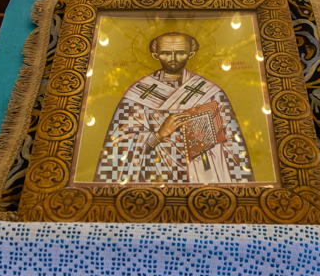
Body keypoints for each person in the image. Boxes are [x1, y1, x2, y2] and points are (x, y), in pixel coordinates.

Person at [94, 32, 254, 184]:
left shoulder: (211, 93)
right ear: (155, 55)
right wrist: (159, 135)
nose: (173, 58)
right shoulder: (137, 94)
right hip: (153, 176)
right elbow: (118, 145)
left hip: (203, 177)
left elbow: (233, 145)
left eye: (180, 53)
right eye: (165, 53)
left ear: (191, 54)